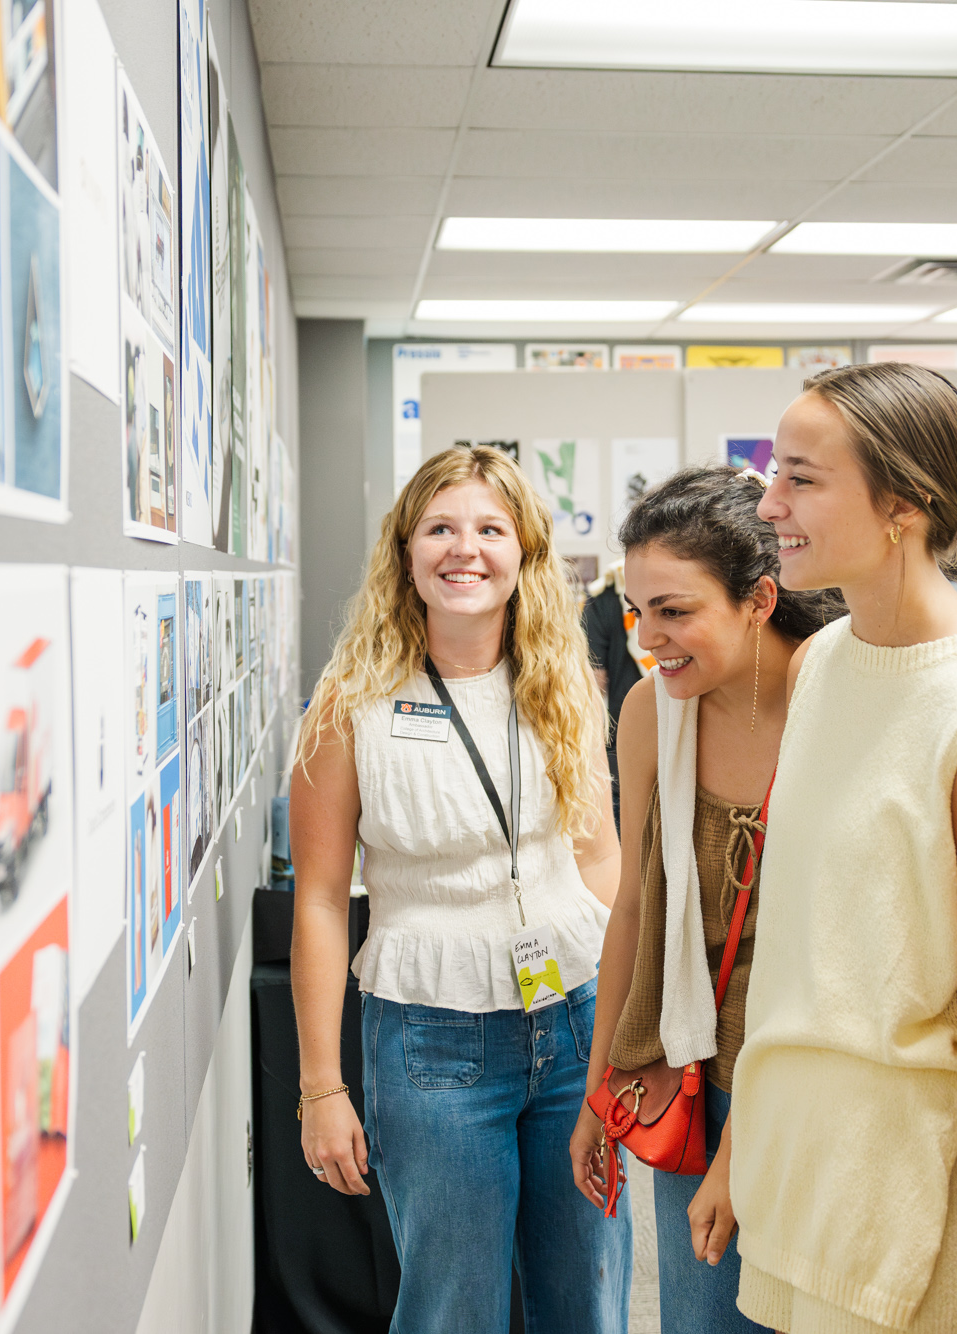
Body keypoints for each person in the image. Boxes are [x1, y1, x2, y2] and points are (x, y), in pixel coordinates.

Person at [733, 363, 957, 1334]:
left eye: (800, 476)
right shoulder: (824, 661)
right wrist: (735, 1157)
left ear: (902, 505)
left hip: (914, 1216)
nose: (767, 501)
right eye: (773, 471)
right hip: (799, 1172)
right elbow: (801, 944)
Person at [289, 444, 629, 1334]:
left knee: (588, 1300)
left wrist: (625, 1016)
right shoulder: (348, 705)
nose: (463, 549)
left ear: (524, 553)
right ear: (406, 551)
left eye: (489, 528)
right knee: (452, 1313)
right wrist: (321, 1089)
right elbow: (322, 900)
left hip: (574, 1020)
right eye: (440, 527)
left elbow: (600, 859)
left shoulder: (564, 689)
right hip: (431, 1043)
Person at [569, 466, 842, 1330]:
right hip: (692, 1072)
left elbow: (844, 943)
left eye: (675, 611)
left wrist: (746, 1144)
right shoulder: (653, 711)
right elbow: (636, 910)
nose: (648, 639)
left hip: (815, 1081)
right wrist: (597, 1090)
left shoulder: (837, 703)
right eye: (638, 612)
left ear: (760, 600)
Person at [580, 559, 649, 825]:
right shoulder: (689, 582)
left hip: (624, 746)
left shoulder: (606, 591)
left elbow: (593, 683)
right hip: (690, 742)